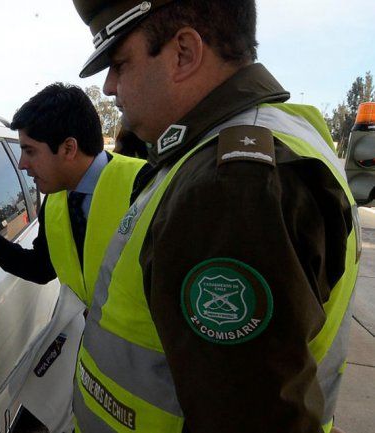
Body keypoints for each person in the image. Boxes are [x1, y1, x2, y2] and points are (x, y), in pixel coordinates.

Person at [68, 1, 359, 432]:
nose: (110, 87)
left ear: (184, 52)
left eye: (119, 63)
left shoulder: (230, 187)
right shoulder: (264, 134)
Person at [0, 83, 145, 307]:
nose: (21, 164)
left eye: (30, 151)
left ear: (68, 149)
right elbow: (42, 268)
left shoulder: (144, 184)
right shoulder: (56, 201)